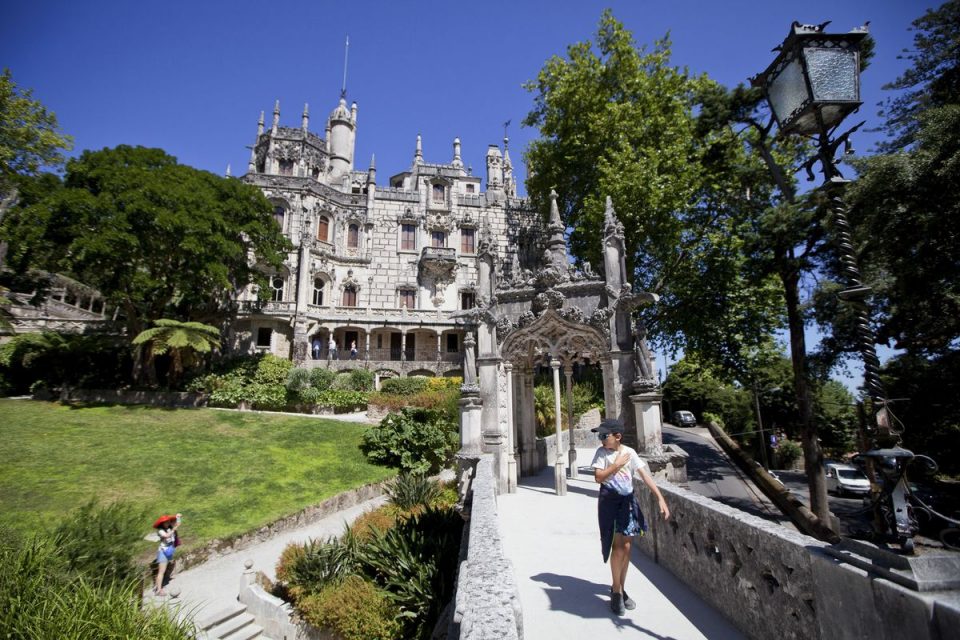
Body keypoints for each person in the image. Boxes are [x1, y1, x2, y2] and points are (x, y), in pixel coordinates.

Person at [591, 419, 669, 616]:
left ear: (617, 437)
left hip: (628, 502)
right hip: (609, 501)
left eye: (604, 436)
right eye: (599, 436)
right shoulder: (602, 454)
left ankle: (619, 587)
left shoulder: (630, 453)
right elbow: (598, 477)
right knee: (617, 547)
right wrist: (616, 465)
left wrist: (660, 498)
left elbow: (645, 475)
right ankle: (616, 592)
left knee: (626, 547)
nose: (601, 439)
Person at [153, 513, 181, 596]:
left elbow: (177, 524)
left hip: (169, 550)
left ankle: (164, 580)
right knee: (161, 571)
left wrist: (178, 517)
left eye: (168, 521)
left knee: (169, 565)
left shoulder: (169, 528)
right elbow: (166, 536)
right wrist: (174, 529)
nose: (168, 523)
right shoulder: (160, 531)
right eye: (166, 522)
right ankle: (158, 590)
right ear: (162, 523)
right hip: (163, 552)